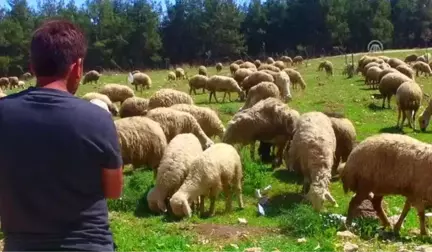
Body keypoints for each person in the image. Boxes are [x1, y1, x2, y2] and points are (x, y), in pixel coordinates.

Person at [0, 19, 123, 252]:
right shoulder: (98, 119)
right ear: (77, 67)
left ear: (32, 67)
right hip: (89, 244)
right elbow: (114, 191)